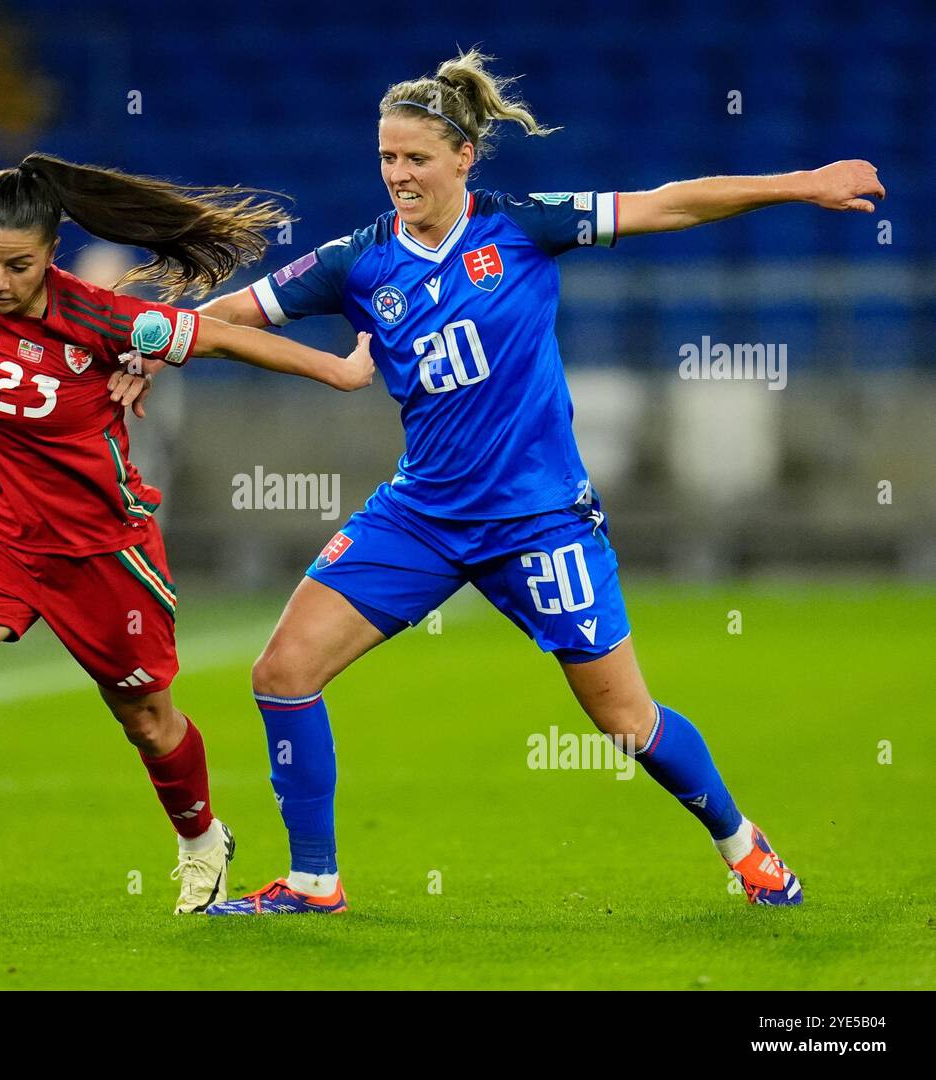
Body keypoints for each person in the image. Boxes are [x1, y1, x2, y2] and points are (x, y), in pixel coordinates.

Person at [121, 49, 883, 914]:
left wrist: (800, 183)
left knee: (625, 721)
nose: (398, 174)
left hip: (539, 522)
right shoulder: (358, 260)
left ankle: (746, 848)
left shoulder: (524, 226)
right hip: (421, 516)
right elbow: (235, 313)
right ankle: (313, 882)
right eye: (386, 157)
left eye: (415, 158)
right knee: (283, 671)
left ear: (463, 158)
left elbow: (669, 203)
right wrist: (156, 345)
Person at [0, 153, 373, 914]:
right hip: (4, 535)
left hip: (103, 551)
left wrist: (338, 372)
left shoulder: (106, 319)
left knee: (147, 722)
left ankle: (201, 839)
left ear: (51, 254)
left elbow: (223, 339)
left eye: (17, 266)